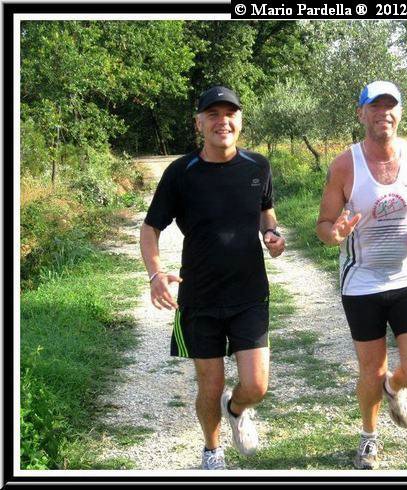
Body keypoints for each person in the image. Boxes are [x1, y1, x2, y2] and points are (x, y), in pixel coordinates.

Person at [140, 85, 285, 470]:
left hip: (250, 294)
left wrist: (272, 234)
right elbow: (150, 228)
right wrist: (155, 273)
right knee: (210, 385)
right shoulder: (181, 173)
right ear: (199, 123)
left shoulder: (258, 166)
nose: (223, 121)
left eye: (230, 114)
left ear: (240, 121)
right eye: (213, 114)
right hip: (199, 298)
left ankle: (236, 409)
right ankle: (212, 450)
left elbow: (265, 210)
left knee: (256, 385)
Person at [316, 81, 407, 470]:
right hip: (362, 281)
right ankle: (369, 438)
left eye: (390, 106)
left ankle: (394, 387)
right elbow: (323, 225)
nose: (383, 112)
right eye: (375, 106)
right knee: (371, 368)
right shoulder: (344, 164)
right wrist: (334, 234)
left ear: (399, 112)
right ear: (361, 114)